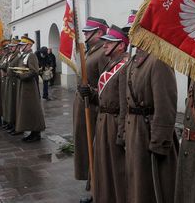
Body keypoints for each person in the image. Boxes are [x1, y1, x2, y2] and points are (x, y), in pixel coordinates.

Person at [120, 27, 178, 202]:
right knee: (136, 183)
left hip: (148, 132)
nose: (131, 36)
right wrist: (123, 132)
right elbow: (125, 103)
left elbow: (165, 106)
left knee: (152, 187)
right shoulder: (133, 61)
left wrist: (159, 142)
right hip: (134, 133)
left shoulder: (159, 60)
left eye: (135, 31)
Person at [87, 24, 129, 203]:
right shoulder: (111, 64)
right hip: (103, 120)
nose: (104, 45)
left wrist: (121, 133)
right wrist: (90, 93)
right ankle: (102, 195)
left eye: (109, 42)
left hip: (114, 122)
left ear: (120, 45)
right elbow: (104, 96)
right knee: (102, 164)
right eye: (104, 42)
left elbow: (123, 103)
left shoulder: (124, 67)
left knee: (115, 167)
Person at [74, 16, 110, 202]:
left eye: (89, 31)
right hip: (84, 105)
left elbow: (106, 84)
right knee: (87, 149)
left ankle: (97, 190)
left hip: (95, 108)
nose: (85, 33)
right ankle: (93, 187)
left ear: (100, 33)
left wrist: (92, 93)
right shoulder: (91, 51)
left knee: (95, 150)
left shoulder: (102, 53)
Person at [15, 36, 46, 142]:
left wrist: (21, 76)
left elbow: (34, 71)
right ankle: (32, 132)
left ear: (29, 45)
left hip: (30, 87)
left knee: (33, 109)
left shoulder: (31, 56)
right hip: (24, 86)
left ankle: (36, 133)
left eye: (23, 45)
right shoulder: (24, 55)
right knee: (27, 110)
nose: (21, 47)